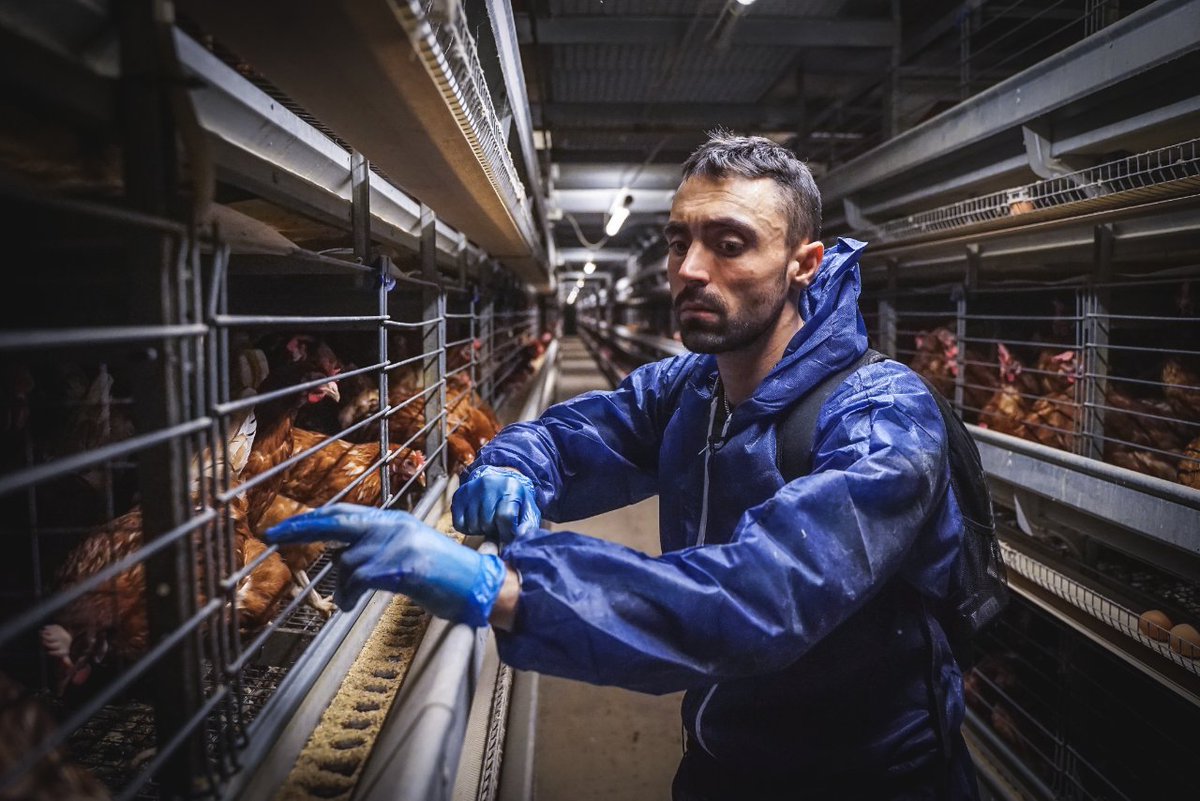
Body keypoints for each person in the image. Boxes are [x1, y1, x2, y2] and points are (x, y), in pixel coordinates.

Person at [268, 132, 980, 800]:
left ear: (804, 263)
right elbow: (576, 433)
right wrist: (518, 464)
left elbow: (762, 598)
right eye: (680, 242)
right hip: (718, 759)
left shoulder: (884, 419)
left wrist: (509, 586)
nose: (691, 270)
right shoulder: (695, 384)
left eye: (730, 244)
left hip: (869, 779)